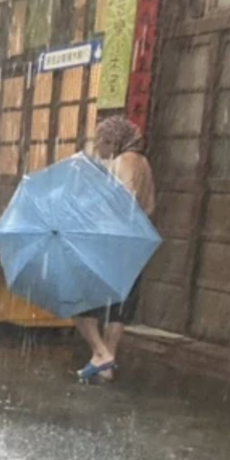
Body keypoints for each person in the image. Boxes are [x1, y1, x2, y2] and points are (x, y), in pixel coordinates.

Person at [74, 115, 156, 382]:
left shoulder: (123, 161)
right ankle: (106, 362)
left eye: (99, 141)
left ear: (112, 140)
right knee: (119, 307)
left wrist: (98, 212)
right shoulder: (144, 163)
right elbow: (149, 206)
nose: (97, 147)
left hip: (113, 241)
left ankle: (100, 353)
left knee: (77, 298)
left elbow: (126, 198)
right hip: (136, 243)